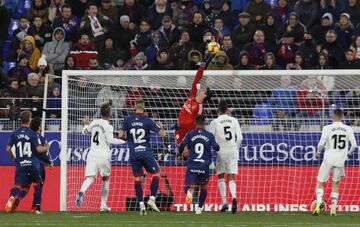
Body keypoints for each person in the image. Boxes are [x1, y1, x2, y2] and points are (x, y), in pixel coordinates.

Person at [119, 99, 166, 215]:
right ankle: (152, 199)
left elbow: (121, 135)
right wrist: (161, 126)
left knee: (137, 179)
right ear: (144, 108)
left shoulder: (127, 120)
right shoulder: (148, 121)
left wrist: (128, 139)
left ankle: (141, 205)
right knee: (156, 175)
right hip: (146, 152)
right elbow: (162, 134)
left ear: (134, 108)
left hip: (134, 153)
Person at [76, 103, 126, 212]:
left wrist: (85, 124)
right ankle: (103, 205)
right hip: (103, 156)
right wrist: (124, 141)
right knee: (105, 179)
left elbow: (84, 131)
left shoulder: (94, 122)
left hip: (92, 154)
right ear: (109, 114)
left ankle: (81, 192)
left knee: (90, 178)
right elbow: (111, 140)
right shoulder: (108, 126)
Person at [313, 109, 357, 216]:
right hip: (340, 160)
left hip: (328, 158)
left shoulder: (327, 128)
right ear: (342, 117)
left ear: (333, 116)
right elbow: (354, 146)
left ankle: (319, 204)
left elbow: (321, 144)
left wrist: (318, 152)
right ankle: (333, 209)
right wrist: (348, 154)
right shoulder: (348, 128)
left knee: (320, 182)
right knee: (335, 183)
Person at [4, 111, 49, 213]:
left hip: (20, 165)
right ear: (29, 120)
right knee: (38, 184)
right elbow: (38, 150)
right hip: (32, 165)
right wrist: (46, 147)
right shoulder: (33, 134)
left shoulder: (14, 133)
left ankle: (12, 197)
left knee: (19, 186)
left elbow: (7, 149)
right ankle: (36, 208)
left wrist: (14, 158)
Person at [179, 115, 220, 215]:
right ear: (204, 123)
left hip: (192, 164)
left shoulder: (190, 134)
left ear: (195, 123)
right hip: (204, 165)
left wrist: (181, 153)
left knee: (188, 186)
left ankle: (189, 191)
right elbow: (216, 147)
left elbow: (182, 145)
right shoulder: (209, 135)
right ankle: (199, 208)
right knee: (204, 187)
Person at [208, 100, 242, 214]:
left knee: (221, 177)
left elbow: (210, 138)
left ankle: (224, 203)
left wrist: (214, 148)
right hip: (232, 150)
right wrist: (235, 148)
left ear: (218, 110)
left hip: (221, 151)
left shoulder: (215, 122)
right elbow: (240, 138)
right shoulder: (234, 120)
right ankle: (234, 196)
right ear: (227, 110)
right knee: (231, 176)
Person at [175, 53, 213, 145]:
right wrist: (203, 64)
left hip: (187, 136)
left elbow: (196, 125)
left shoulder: (200, 108)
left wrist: (181, 125)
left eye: (204, 91)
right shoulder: (193, 95)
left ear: (204, 96)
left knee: (185, 155)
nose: (202, 89)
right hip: (179, 130)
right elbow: (197, 78)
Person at [30, 117, 53, 214]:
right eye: (41, 125)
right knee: (39, 186)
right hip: (37, 165)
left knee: (23, 186)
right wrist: (49, 162)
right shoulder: (39, 138)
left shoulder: (28, 136)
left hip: (25, 164)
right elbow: (41, 153)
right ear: (39, 127)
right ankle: (37, 208)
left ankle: (33, 206)